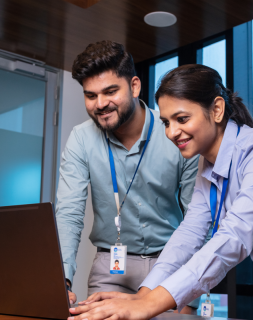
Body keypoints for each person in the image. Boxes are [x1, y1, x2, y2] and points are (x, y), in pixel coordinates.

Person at [68, 64, 253, 320]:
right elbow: (190, 233)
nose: (171, 132)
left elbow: (235, 236)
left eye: (182, 119)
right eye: (166, 122)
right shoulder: (207, 163)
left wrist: (149, 303)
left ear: (217, 110)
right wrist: (143, 295)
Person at [55, 41, 200, 314]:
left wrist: (190, 285)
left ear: (134, 86)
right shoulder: (81, 139)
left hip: (169, 263)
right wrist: (61, 278)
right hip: (110, 266)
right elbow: (69, 213)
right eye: (90, 95)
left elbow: (197, 216)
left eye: (110, 91)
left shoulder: (176, 133)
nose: (100, 104)